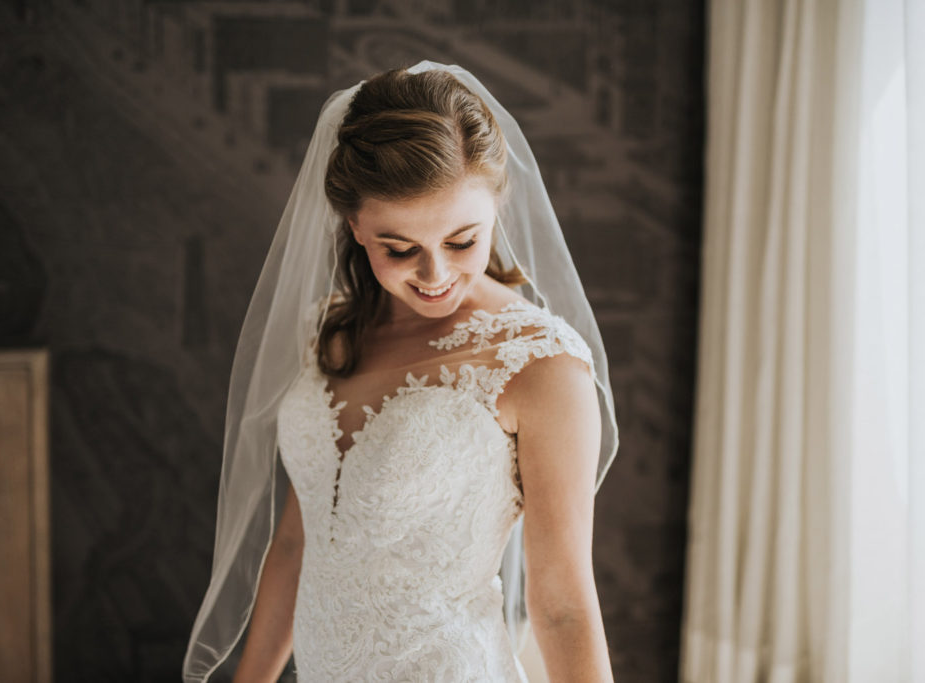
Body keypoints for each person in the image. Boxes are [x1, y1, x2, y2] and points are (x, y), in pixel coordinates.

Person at [182, 61, 620, 683]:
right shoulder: (326, 331)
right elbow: (298, 544)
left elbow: (564, 607)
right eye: (400, 248)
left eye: (462, 241)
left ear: (497, 206)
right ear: (356, 225)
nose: (435, 275)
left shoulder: (540, 365)